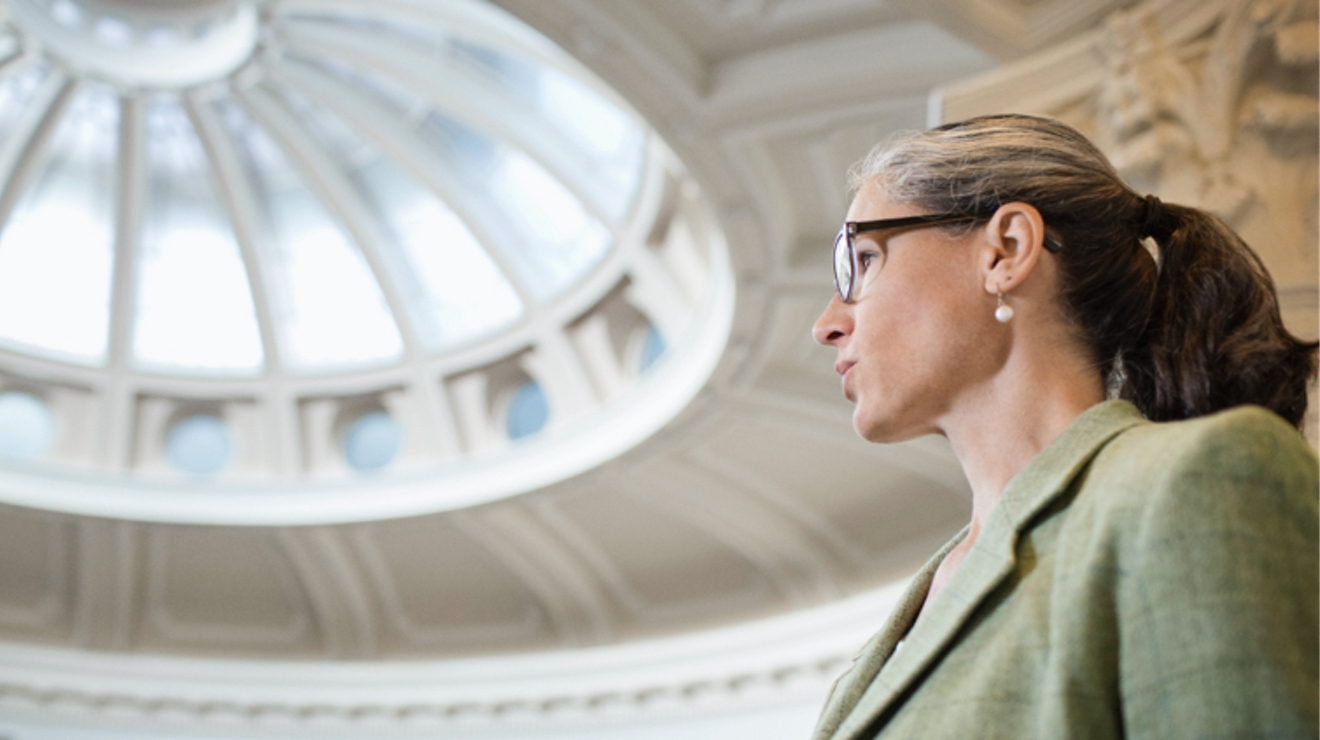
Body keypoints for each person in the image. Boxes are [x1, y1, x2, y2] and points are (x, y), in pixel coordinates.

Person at [809, 114, 1318, 740]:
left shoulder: (1194, 482)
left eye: (862, 259)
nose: (828, 323)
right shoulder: (898, 628)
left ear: (1007, 250)